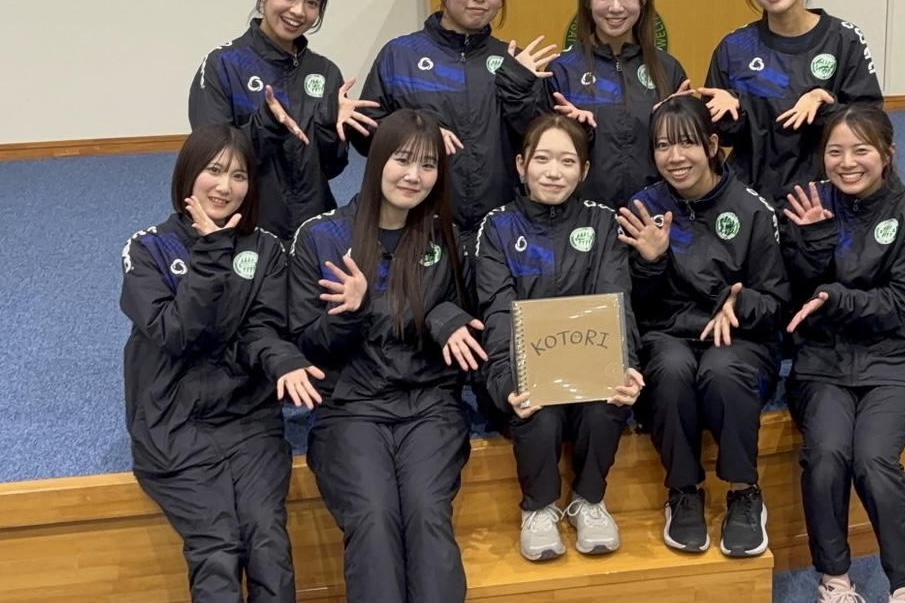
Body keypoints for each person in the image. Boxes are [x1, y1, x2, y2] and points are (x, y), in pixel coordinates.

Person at [288, 109, 486, 603]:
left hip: (429, 405)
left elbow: (465, 318)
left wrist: (444, 316)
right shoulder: (322, 237)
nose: (413, 175)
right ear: (378, 160)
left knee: (425, 511)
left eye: (428, 164)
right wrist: (350, 314)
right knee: (373, 517)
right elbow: (307, 343)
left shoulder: (446, 237)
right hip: (351, 408)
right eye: (402, 159)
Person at [120, 124, 323, 602]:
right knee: (217, 547)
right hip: (174, 423)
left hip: (247, 420)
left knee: (268, 543)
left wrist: (285, 361)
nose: (225, 187)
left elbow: (260, 330)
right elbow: (175, 332)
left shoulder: (266, 249)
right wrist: (212, 253)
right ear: (188, 174)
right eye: (214, 170)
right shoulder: (147, 249)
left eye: (239, 175)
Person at [781, 104, 905, 603]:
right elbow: (792, 291)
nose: (847, 162)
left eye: (861, 150)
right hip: (823, 360)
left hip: (896, 358)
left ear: (887, 153)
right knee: (827, 456)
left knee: (874, 459)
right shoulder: (808, 204)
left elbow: (900, 303)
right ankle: (835, 579)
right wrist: (812, 243)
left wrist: (835, 297)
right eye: (835, 151)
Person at [616, 95, 789, 558]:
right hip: (667, 334)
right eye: (663, 146)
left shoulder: (752, 209)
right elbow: (629, 303)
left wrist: (740, 303)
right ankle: (684, 491)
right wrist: (650, 262)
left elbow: (775, 302)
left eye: (688, 143)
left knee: (722, 370)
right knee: (671, 371)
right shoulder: (642, 208)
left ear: (712, 145)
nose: (675, 157)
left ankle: (745, 491)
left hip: (739, 337)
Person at [475, 114, 643, 561]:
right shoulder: (498, 227)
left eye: (567, 161)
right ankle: (539, 508)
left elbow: (617, 304)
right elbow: (497, 314)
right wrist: (507, 383)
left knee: (610, 395)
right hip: (523, 369)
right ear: (521, 165)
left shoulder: (603, 224)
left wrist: (626, 366)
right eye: (542, 159)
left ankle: (590, 500)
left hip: (587, 367)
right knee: (537, 406)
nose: (554, 172)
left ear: (584, 171)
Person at [353, 0, 557, 246]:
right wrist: (416, 132)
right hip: (419, 224)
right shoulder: (400, 55)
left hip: (499, 226)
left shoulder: (514, 61)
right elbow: (365, 136)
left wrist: (521, 87)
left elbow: (537, 146)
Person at [189, 0, 378, 240]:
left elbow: (332, 167)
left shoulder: (325, 72)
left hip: (313, 228)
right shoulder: (222, 65)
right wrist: (266, 124)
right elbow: (211, 161)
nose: (299, 11)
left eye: (312, 2)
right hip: (246, 227)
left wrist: (330, 125)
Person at [699, 0, 883, 205]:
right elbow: (717, 138)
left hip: (823, 195)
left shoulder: (844, 40)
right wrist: (729, 112)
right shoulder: (734, 47)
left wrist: (824, 105)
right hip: (751, 195)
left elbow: (871, 124)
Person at [500, 0, 689, 210]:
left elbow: (686, 151)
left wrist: (675, 123)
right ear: (588, 0)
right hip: (581, 221)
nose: (615, 7)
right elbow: (535, 151)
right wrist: (572, 129)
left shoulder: (667, 69)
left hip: (652, 217)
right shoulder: (562, 70)